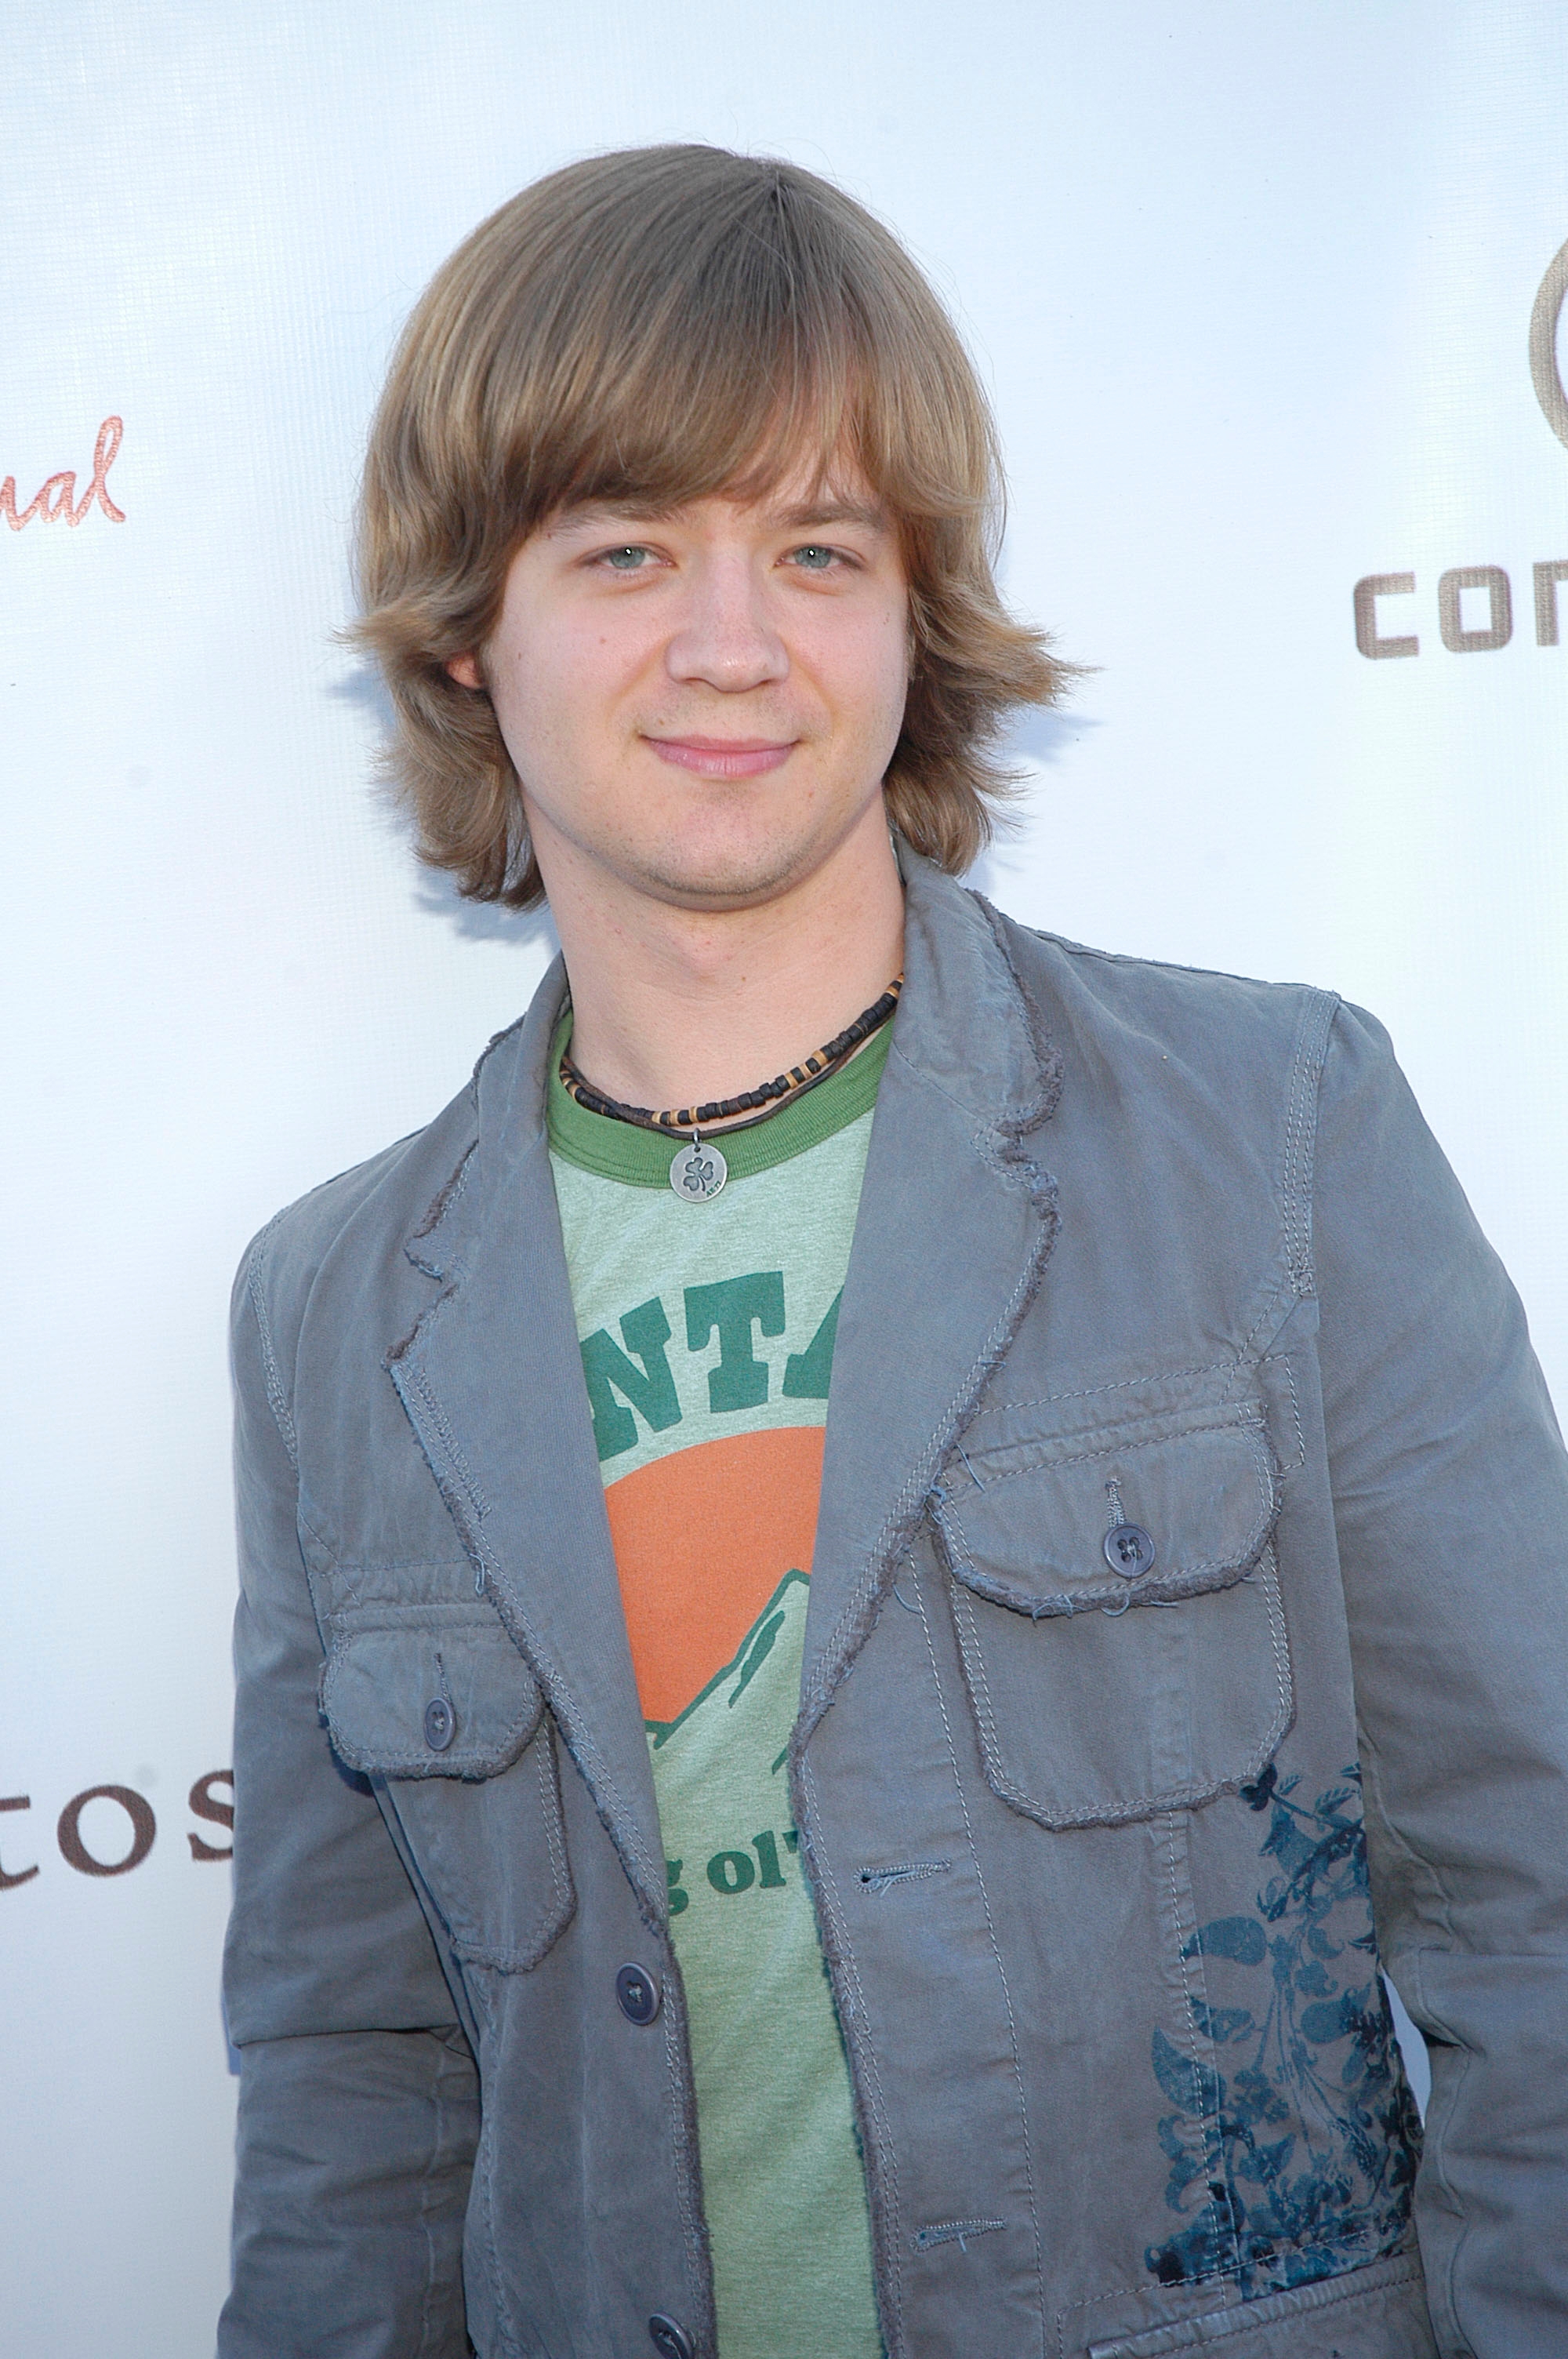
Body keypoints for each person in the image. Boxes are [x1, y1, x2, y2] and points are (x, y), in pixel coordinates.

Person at [218, 145, 1568, 2359]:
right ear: (472, 629)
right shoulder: (333, 1315)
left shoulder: (1280, 1136)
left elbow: (1538, 1914)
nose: (732, 643)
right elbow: (352, 2094)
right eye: (628, 547)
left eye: (819, 549)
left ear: (912, 614)